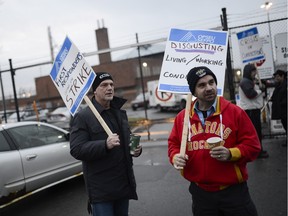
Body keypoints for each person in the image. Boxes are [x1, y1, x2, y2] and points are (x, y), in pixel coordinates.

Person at [168, 66, 261, 216]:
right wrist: (175, 156)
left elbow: (253, 146)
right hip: (200, 194)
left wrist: (231, 154)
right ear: (193, 92)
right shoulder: (182, 118)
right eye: (202, 85)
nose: (209, 88)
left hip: (233, 193)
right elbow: (173, 144)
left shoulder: (235, 112)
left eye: (212, 82)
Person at [70, 72, 142, 216]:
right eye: (104, 85)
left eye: (111, 84)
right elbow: (77, 149)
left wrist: (135, 150)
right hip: (101, 189)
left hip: (122, 184)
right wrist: (104, 145)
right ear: (95, 90)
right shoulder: (83, 117)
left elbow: (125, 142)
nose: (109, 88)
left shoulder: (119, 113)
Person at [239, 63, 269, 158]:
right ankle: (257, 151)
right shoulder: (245, 82)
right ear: (249, 71)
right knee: (255, 132)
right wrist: (260, 90)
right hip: (251, 110)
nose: (255, 73)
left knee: (256, 132)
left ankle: (258, 150)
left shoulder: (249, 81)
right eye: (253, 71)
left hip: (253, 110)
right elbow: (251, 94)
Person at [270, 69, 287, 136]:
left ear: (282, 76)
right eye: (276, 77)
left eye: (278, 76)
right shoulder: (278, 85)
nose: (276, 78)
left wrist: (283, 102)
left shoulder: (285, 84)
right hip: (282, 110)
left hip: (285, 108)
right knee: (284, 124)